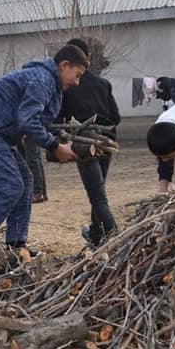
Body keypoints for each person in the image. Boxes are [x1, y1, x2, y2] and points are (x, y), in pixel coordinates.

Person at [0, 45, 86, 255]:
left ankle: (16, 246)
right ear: (64, 65)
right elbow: (27, 121)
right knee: (9, 188)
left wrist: (57, 141)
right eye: (77, 74)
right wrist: (54, 146)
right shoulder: (42, 80)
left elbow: (34, 121)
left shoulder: (48, 82)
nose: (77, 82)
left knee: (26, 181)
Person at [57, 38, 121, 247]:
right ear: (89, 58)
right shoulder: (103, 84)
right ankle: (95, 235)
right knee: (98, 189)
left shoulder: (66, 85)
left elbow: (60, 116)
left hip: (84, 144)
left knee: (97, 196)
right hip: (106, 142)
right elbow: (116, 117)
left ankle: (114, 236)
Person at [23, 139, 48, 203]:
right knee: (35, 159)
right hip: (30, 132)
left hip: (28, 132)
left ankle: (37, 193)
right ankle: (41, 193)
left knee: (32, 160)